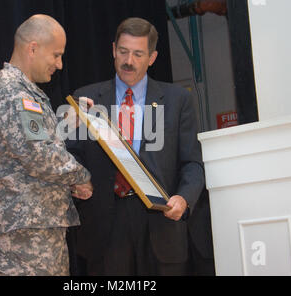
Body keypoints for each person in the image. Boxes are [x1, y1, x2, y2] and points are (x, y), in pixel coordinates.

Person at [67, 17, 208, 275]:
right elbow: (70, 155)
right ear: (113, 50)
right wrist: (76, 181)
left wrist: (184, 199)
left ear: (152, 57)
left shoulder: (178, 100)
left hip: (161, 225)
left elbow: (192, 164)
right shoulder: (85, 99)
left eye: (138, 54)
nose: (128, 61)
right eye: (123, 51)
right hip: (104, 228)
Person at [0, 14, 93, 276]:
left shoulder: (26, 93)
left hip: (36, 232)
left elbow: (34, 143)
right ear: (33, 48)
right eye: (56, 55)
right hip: (21, 241)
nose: (60, 64)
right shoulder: (12, 93)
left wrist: (67, 123)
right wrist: (82, 176)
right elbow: (40, 156)